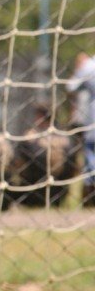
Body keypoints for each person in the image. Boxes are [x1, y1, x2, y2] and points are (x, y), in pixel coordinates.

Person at [11, 103, 77, 207]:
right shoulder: (67, 137)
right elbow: (75, 168)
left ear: (40, 117)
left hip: (34, 191)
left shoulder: (31, 137)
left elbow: (18, 163)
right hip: (60, 192)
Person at [66, 51, 95, 206]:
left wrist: (79, 69)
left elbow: (70, 86)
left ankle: (90, 192)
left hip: (92, 120)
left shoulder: (89, 66)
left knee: (90, 154)